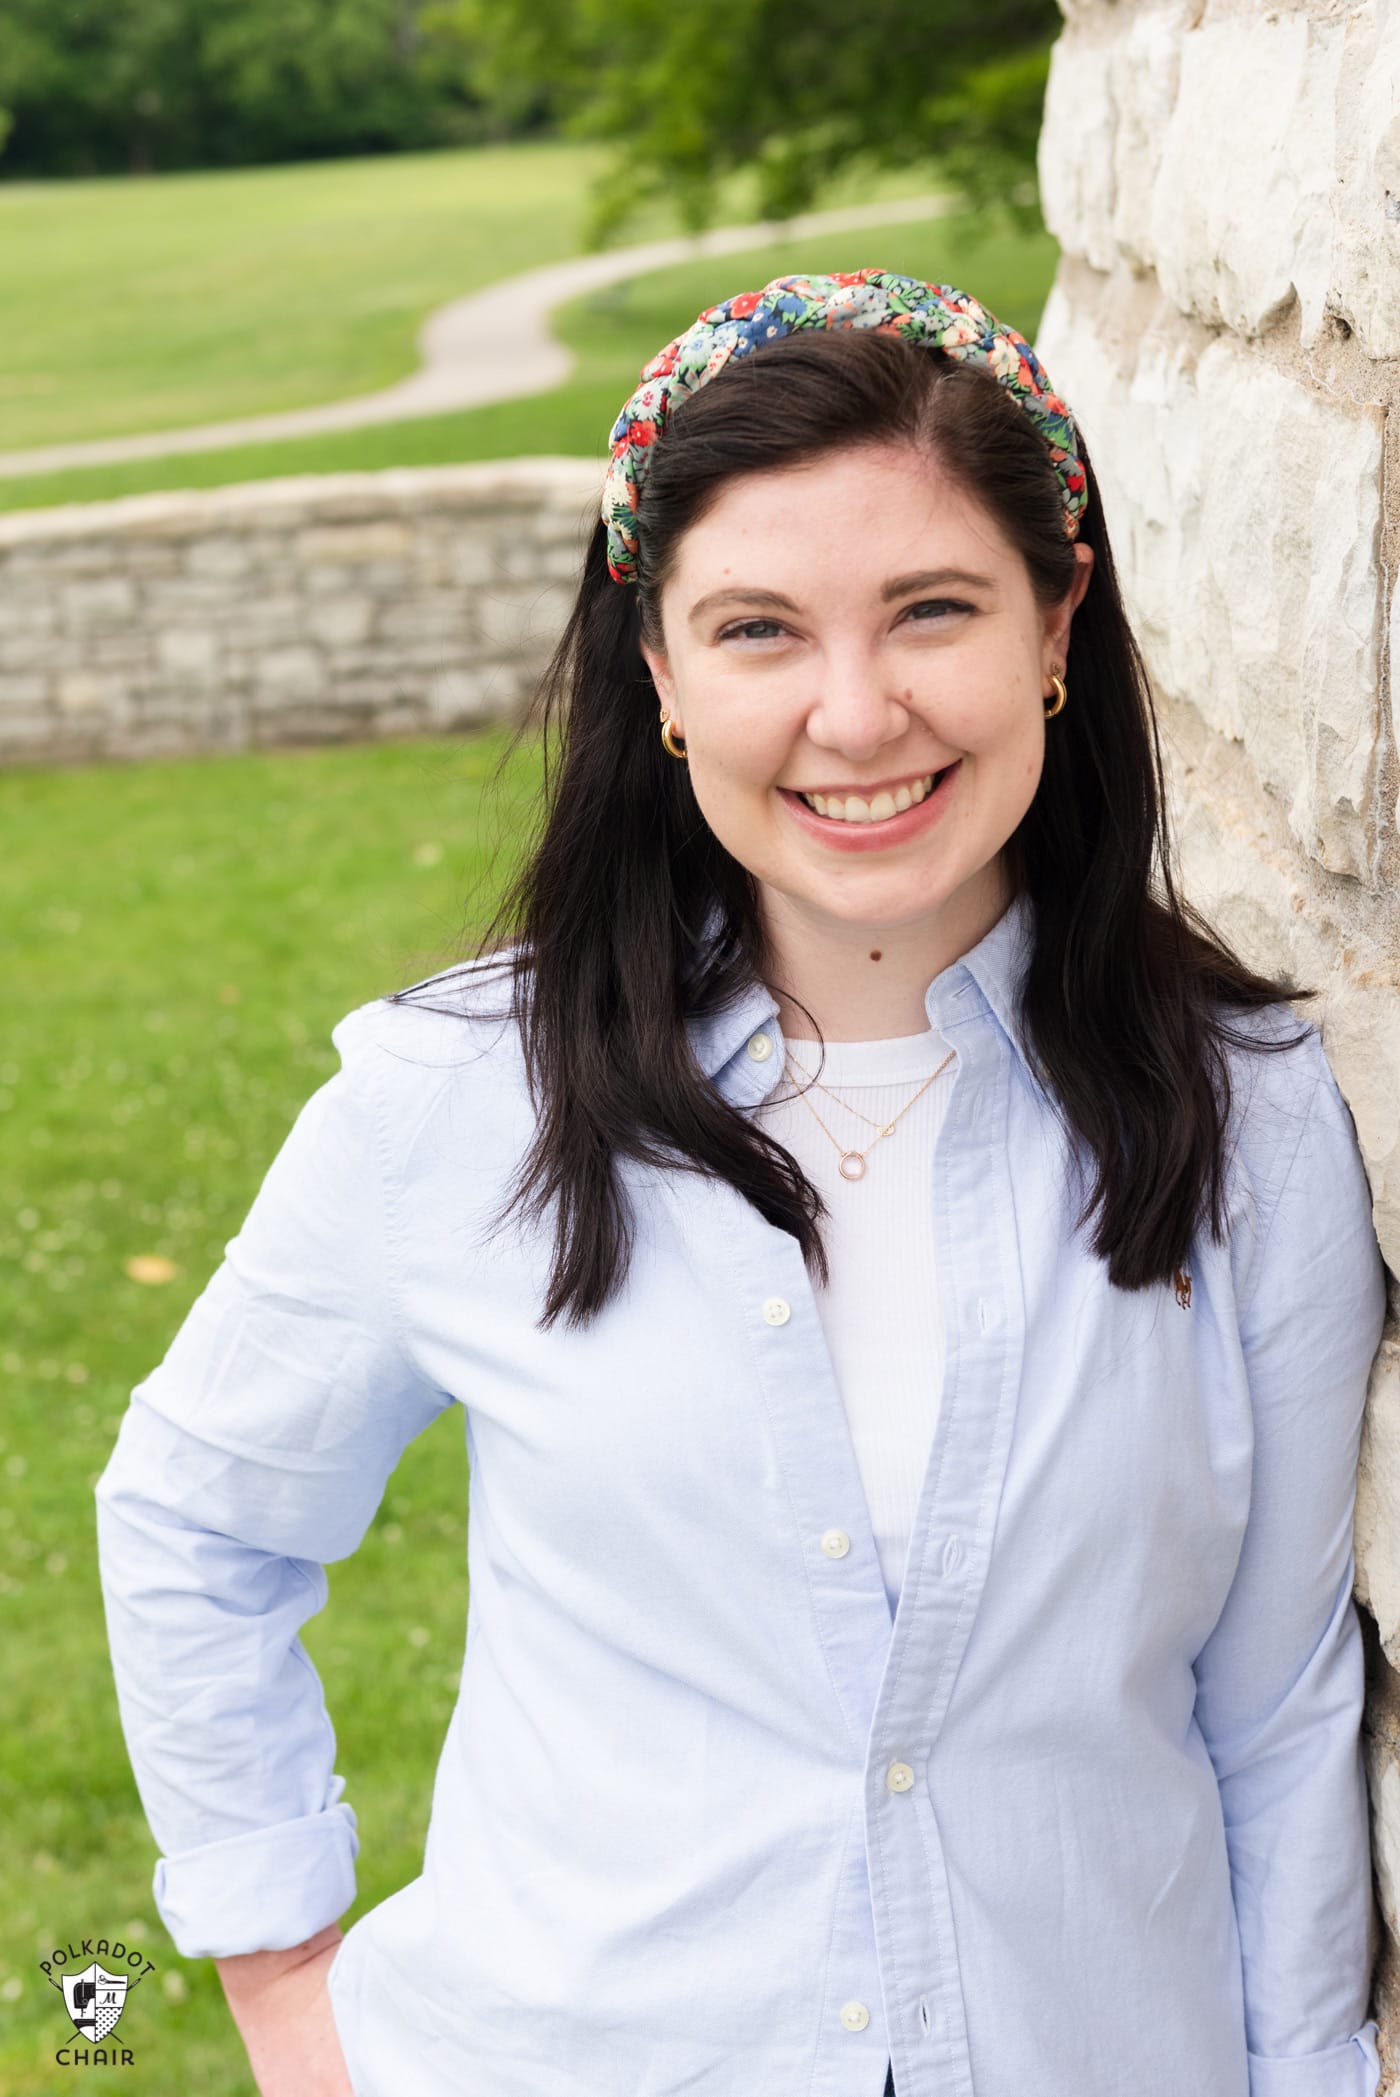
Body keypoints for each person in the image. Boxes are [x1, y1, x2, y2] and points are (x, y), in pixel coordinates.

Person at [94, 271, 1389, 2097]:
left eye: (931, 609)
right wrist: (288, 1989)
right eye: (761, 628)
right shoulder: (457, 1096)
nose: (855, 716)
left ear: (1056, 625)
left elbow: (1274, 1714)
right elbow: (197, 1522)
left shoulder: (1244, 1116)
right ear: (662, 674)